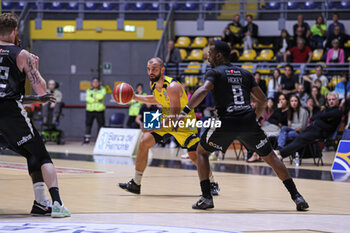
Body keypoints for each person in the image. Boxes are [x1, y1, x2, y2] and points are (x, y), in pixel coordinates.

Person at [177, 41, 308, 211]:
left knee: (201, 152)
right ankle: (297, 196)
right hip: (248, 122)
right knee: (271, 158)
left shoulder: (214, 72)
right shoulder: (245, 73)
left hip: (226, 122)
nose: (207, 56)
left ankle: (206, 197)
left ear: (218, 55)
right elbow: (262, 100)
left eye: (210, 53)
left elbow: (202, 91)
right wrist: (254, 117)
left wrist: (185, 111)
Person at [0, 13, 70, 217]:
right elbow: (41, 89)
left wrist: (32, 99)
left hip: (7, 110)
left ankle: (41, 203)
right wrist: (35, 68)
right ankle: (57, 203)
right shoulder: (21, 54)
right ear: (15, 31)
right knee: (41, 154)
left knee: (30, 153)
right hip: (9, 114)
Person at [118, 57, 219, 195]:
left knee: (194, 155)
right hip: (168, 118)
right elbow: (156, 99)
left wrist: (152, 126)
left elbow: (174, 118)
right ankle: (136, 183)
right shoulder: (153, 84)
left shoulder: (172, 87)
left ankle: (212, 183)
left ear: (162, 70)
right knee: (144, 142)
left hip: (183, 122)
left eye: (154, 69)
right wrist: (135, 97)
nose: (151, 72)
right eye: (148, 69)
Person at [275, 92, 342, 159]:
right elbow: (314, 117)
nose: (331, 101)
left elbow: (319, 117)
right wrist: (323, 118)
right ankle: (281, 154)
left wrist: (320, 118)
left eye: (333, 99)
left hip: (323, 133)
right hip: (314, 129)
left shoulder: (338, 111)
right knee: (298, 138)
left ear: (338, 101)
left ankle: (280, 152)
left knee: (300, 138)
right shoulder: (327, 109)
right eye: (329, 100)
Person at [83, 77, 106, 144]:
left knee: (101, 125)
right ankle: (87, 139)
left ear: (99, 83)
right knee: (88, 124)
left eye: (96, 82)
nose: (95, 83)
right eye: (94, 82)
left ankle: (99, 139)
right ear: (92, 83)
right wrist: (96, 100)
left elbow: (101, 97)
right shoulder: (88, 90)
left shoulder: (103, 89)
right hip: (90, 110)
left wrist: (93, 97)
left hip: (99, 110)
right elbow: (88, 99)